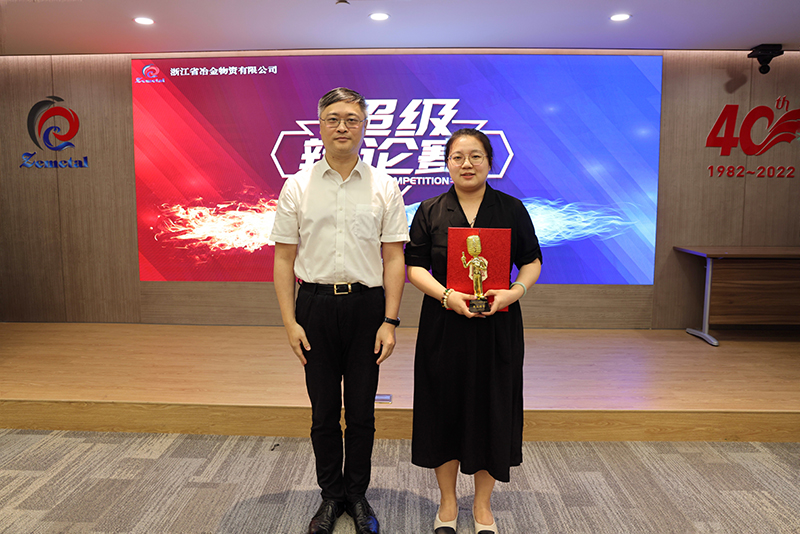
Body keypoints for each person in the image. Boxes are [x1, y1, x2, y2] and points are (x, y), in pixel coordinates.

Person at [270, 87, 409, 534]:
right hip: (313, 306)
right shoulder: (297, 185)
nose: (342, 127)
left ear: (364, 126)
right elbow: (283, 259)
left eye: (351, 119)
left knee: (363, 411)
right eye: (333, 119)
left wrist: (390, 320)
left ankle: (358, 494)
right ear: (320, 125)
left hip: (367, 309)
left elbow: (394, 258)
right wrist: (290, 322)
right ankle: (331, 496)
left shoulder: (384, 185)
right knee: (324, 411)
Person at [404, 128, 542, 534]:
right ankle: (447, 501)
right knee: (442, 407)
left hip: (498, 325)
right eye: (458, 157)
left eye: (476, 156)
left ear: (489, 162)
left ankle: (482, 504)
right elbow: (414, 267)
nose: (467, 164)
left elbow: (532, 260)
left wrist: (514, 292)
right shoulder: (429, 210)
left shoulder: (511, 209)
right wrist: (447, 296)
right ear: (447, 164)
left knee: (493, 409)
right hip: (444, 325)